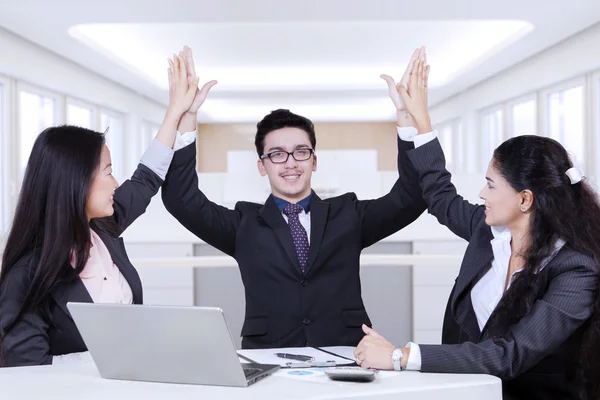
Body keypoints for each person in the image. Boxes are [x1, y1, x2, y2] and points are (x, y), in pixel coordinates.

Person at [354, 57, 600, 400]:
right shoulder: (490, 235)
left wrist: (400, 356)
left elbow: (509, 354)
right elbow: (440, 195)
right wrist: (414, 122)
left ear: (525, 199)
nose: (482, 194)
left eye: (491, 185)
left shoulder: (576, 270)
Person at [161, 47, 429, 349]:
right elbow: (180, 199)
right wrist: (185, 119)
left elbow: (412, 196)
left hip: (345, 352)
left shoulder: (348, 214)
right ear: (262, 166)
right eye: (277, 154)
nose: (291, 163)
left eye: (301, 152)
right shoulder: (243, 225)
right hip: (269, 355)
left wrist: (407, 119)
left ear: (314, 161)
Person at [0, 53, 201, 366]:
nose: (117, 183)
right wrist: (107, 362)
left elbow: (146, 178)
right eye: (108, 171)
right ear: (76, 183)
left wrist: (176, 113)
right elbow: (26, 372)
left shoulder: (104, 229)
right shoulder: (27, 277)